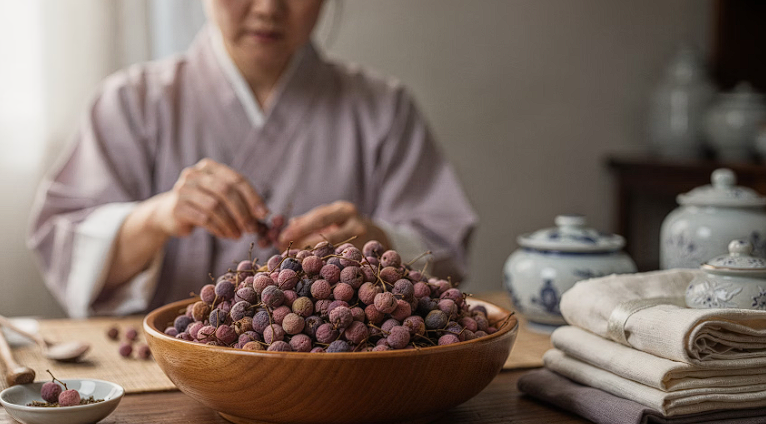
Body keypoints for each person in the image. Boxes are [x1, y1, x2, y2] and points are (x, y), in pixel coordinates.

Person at [28, 0, 477, 318]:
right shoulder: (130, 102)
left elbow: (443, 253)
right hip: (169, 372)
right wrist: (158, 217)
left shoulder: (383, 108)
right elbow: (65, 243)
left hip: (340, 372)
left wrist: (378, 241)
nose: (268, 7)